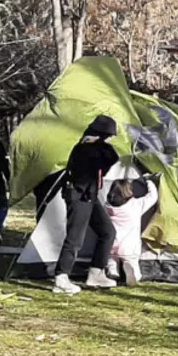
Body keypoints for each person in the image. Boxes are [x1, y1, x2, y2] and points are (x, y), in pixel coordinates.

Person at [53, 115, 120, 295]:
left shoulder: (96, 148)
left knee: (108, 232)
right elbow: (105, 158)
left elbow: (111, 158)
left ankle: (96, 272)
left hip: (89, 195)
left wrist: (98, 143)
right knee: (75, 238)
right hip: (78, 195)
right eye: (107, 136)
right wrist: (95, 143)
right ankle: (61, 277)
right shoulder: (84, 148)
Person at [104, 176, 160, 286]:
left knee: (111, 260)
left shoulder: (107, 206)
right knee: (131, 261)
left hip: (111, 244)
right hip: (129, 246)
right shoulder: (135, 205)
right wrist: (149, 181)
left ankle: (113, 272)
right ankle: (132, 271)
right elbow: (153, 197)